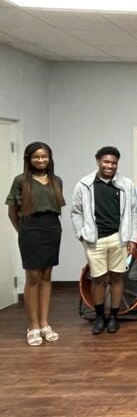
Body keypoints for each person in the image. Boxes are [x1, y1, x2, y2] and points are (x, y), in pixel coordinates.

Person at [71, 146, 137, 334]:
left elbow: (134, 212)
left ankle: (114, 317)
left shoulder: (126, 184)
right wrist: (81, 234)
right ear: (98, 162)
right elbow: (76, 212)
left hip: (119, 238)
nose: (110, 166)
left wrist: (132, 238)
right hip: (94, 240)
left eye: (114, 163)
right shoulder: (84, 184)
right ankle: (100, 316)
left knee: (118, 277)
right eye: (106, 162)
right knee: (98, 279)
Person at [6, 142, 65, 346]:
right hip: (30, 228)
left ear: (50, 158)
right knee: (32, 276)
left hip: (52, 228)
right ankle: (32, 326)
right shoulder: (21, 181)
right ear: (28, 159)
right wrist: (23, 231)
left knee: (47, 275)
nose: (40, 160)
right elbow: (12, 212)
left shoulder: (56, 181)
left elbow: (57, 209)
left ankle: (44, 323)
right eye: (36, 157)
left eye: (44, 156)